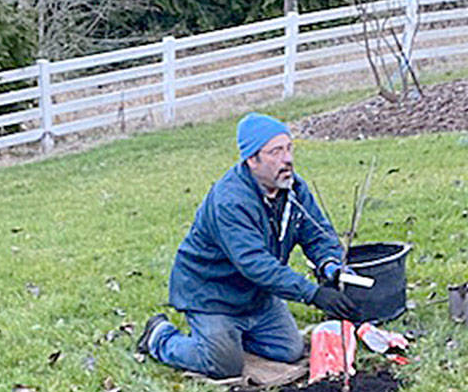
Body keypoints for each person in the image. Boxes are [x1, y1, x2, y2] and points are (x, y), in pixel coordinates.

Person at [136, 112, 361, 378]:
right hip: (212, 295)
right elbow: (256, 264)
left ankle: (233, 335)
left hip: (257, 296)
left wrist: (331, 264)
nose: (287, 159)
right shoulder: (230, 201)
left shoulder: (294, 189)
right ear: (252, 160)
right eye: (275, 152)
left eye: (289, 149)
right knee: (224, 366)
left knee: (289, 350)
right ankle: (160, 338)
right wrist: (312, 294)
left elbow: (318, 233)